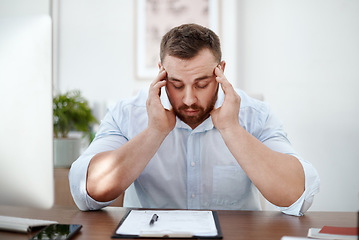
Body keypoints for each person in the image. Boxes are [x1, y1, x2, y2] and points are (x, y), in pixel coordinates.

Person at [69, 23, 320, 216]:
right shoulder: (126, 114)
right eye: (176, 84)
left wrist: (231, 129)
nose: (189, 99)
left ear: (221, 70)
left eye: (201, 84)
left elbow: (298, 196)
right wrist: (155, 132)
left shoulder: (256, 115)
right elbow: (86, 192)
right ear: (161, 72)